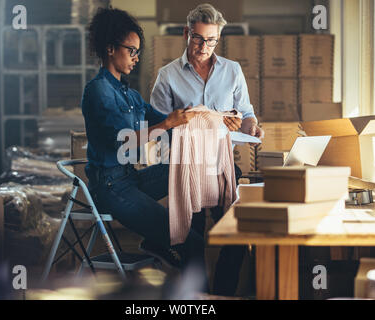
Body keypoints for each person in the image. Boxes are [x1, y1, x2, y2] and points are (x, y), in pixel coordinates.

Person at [150, 3, 265, 296]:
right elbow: (156, 127)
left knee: (238, 229)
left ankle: (223, 292)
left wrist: (251, 126)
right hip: (187, 167)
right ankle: (198, 298)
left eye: (212, 40)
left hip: (222, 163)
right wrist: (178, 123)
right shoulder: (168, 75)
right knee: (192, 239)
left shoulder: (232, 71)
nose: (204, 47)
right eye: (199, 39)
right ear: (187, 33)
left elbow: (247, 113)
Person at [82, 7, 205, 273]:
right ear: (111, 48)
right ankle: (183, 256)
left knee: (196, 171)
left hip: (130, 179)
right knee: (194, 245)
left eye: (139, 52)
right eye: (132, 50)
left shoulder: (129, 94)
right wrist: (167, 124)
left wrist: (197, 124)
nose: (136, 58)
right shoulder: (99, 91)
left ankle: (160, 242)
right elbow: (123, 142)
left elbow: (165, 122)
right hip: (111, 188)